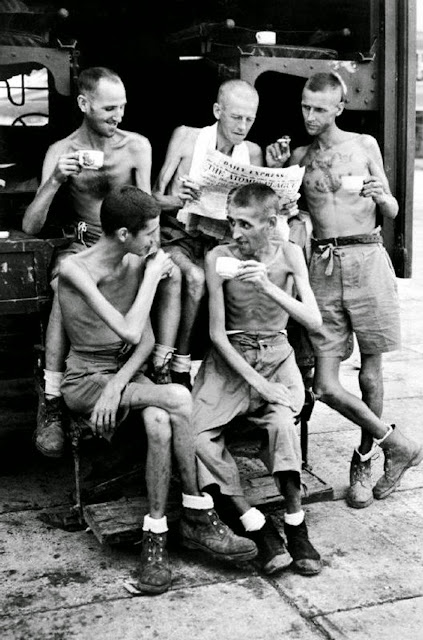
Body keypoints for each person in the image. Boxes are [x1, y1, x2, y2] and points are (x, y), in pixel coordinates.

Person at [57, 185, 257, 595]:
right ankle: (199, 512)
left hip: (124, 376)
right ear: (125, 234)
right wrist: (152, 275)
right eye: (150, 232)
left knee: (161, 422)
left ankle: (156, 535)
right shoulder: (76, 269)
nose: (157, 240)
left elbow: (144, 341)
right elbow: (128, 329)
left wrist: (117, 386)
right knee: (179, 397)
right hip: (85, 380)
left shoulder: (134, 262)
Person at [268, 71, 423, 508]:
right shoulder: (299, 156)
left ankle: (365, 457)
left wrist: (382, 195)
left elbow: (392, 208)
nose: (310, 115)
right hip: (323, 263)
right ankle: (398, 443)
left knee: (372, 373)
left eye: (320, 108)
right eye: (305, 106)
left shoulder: (364, 145)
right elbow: (283, 209)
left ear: (340, 107)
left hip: (368, 256)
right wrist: (278, 166)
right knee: (325, 383)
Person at [22, 66, 180, 458]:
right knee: (63, 282)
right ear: (84, 104)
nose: (118, 117)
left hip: (129, 241)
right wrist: (56, 179)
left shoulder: (137, 145)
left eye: (122, 108)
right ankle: (54, 394)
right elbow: (30, 226)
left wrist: (157, 247)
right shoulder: (61, 151)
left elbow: (146, 213)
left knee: (176, 276)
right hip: (82, 244)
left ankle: (163, 364)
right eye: (110, 108)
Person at [193, 183, 323, 576]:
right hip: (231, 358)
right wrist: (259, 384)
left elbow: (313, 321)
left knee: (283, 422)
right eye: (232, 221)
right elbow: (217, 334)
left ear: (271, 223)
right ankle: (254, 523)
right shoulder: (218, 256)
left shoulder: (290, 254)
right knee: (195, 437)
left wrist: (266, 284)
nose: (236, 233)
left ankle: (296, 523)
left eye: (246, 224)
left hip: (276, 352)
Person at [153, 79, 282, 389]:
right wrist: (179, 199)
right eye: (236, 116)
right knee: (195, 278)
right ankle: (177, 362)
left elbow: (257, 209)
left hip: (221, 242)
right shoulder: (186, 138)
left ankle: (244, 361)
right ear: (217, 110)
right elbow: (154, 198)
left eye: (250, 118)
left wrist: (278, 174)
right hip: (177, 238)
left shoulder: (251, 151)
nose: (243, 125)